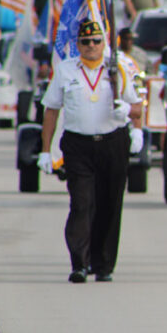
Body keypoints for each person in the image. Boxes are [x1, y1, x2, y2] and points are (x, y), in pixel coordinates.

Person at [38, 20, 142, 283]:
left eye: (96, 41)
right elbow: (51, 110)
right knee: (82, 203)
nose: (91, 46)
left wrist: (130, 118)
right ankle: (80, 263)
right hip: (78, 145)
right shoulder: (66, 70)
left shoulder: (118, 67)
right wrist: (45, 150)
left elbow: (138, 106)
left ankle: (104, 265)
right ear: (78, 44)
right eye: (86, 42)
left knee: (109, 204)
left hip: (113, 143)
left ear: (104, 42)